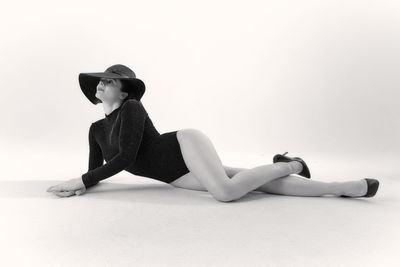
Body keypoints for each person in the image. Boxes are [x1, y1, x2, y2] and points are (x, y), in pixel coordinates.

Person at [46, 64, 380, 202]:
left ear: (124, 92)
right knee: (255, 184)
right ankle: (342, 187)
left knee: (225, 192)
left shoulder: (131, 109)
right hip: (174, 175)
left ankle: (292, 164)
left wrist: (82, 181)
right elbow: (95, 171)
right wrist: (82, 185)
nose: (102, 85)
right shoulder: (95, 129)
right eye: (100, 82)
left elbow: (128, 156)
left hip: (183, 145)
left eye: (109, 82)